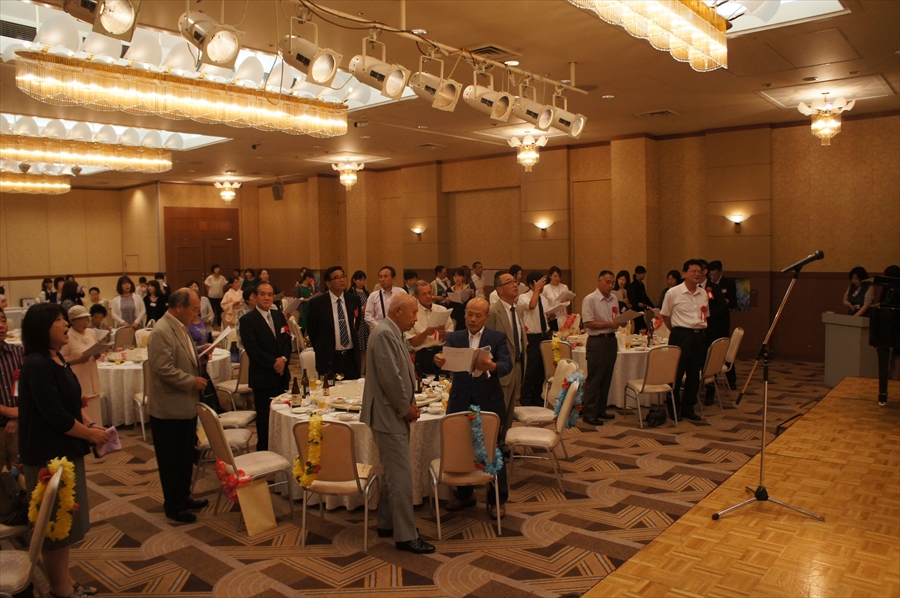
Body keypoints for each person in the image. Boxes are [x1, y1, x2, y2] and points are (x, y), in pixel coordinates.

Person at [19, 302, 109, 597]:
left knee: (66, 521)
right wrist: (89, 434)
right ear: (42, 328)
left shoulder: (56, 357)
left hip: (66, 453)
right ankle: (60, 589)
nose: (66, 324)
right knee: (54, 525)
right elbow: (54, 415)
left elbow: (71, 403)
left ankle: (66, 582)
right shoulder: (36, 364)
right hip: (46, 456)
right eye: (59, 320)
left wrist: (90, 424)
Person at [360, 293, 435, 555]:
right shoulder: (384, 334)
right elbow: (390, 378)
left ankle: (387, 523)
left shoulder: (392, 332)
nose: (416, 318)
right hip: (388, 414)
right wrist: (405, 409)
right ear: (399, 310)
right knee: (401, 476)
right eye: (413, 312)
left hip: (390, 412)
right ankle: (406, 536)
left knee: (393, 473)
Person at [434, 297, 512, 517]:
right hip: (460, 400)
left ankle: (496, 500)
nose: (472, 319)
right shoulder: (455, 337)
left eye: (478, 315)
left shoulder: (496, 337)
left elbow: (506, 365)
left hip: (488, 401)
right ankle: (464, 495)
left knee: (493, 449)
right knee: (460, 447)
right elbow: (442, 360)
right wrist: (437, 361)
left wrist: (492, 366)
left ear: (486, 317)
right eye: (469, 314)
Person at [147, 289, 210, 523]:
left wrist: (201, 352)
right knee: (171, 460)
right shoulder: (161, 331)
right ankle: (173, 505)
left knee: (184, 455)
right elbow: (162, 368)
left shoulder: (180, 327)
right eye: (194, 310)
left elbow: (182, 355)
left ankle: (183, 497)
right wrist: (190, 381)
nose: (197, 315)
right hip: (169, 408)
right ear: (179, 307)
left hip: (186, 405)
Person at [240, 282, 292, 451]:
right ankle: (264, 453)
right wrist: (274, 362)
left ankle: (282, 450)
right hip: (263, 377)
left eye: (270, 294)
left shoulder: (278, 315)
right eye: (262, 294)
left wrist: (283, 359)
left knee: (283, 417)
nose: (267, 298)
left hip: (282, 375)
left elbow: (287, 341)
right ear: (255, 297)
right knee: (265, 421)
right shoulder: (247, 320)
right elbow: (253, 350)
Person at [660, 259, 707, 422]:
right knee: (676, 374)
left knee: (694, 374)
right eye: (693, 271)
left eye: (699, 271)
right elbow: (665, 315)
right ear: (684, 273)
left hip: (699, 335)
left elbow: (705, 315)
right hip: (681, 335)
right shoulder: (673, 293)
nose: (697, 274)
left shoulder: (703, 293)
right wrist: (677, 331)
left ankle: (688, 408)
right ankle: (674, 408)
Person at [486, 271, 526, 439]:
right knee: (498, 410)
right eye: (509, 282)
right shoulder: (493, 311)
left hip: (517, 365)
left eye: (515, 281)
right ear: (499, 289)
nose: (515, 284)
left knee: (510, 410)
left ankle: (504, 443)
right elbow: (487, 343)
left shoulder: (518, 310)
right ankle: (494, 445)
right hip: (501, 369)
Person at [307, 266, 363, 380]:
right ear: (328, 283)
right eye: (337, 278)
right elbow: (313, 331)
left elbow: (356, 324)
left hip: (351, 357)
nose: (342, 280)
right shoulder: (317, 303)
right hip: (330, 358)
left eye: (343, 276)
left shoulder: (354, 300)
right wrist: (321, 350)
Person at [581, 271, 620, 426]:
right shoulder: (590, 299)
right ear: (599, 281)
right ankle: (589, 413)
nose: (611, 285)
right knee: (595, 378)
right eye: (608, 282)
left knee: (606, 377)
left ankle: (601, 409)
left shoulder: (614, 298)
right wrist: (609, 324)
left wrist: (622, 321)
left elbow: (616, 318)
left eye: (612, 283)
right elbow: (588, 322)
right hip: (597, 341)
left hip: (611, 340)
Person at [697, 259, 729, 405]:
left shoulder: (713, 288)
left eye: (698, 271)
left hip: (711, 330)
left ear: (705, 272)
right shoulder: (691, 288)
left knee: (709, 361)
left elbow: (722, 307)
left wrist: (708, 315)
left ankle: (710, 392)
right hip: (696, 330)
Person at [518, 272, 551, 407]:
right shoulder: (523, 297)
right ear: (532, 284)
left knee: (542, 369)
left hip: (545, 335)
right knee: (531, 369)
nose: (542, 286)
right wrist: (536, 290)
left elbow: (545, 316)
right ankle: (525, 397)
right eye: (539, 283)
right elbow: (531, 306)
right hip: (532, 337)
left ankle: (537, 395)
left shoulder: (544, 299)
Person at [407, 281, 453, 376]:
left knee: (444, 381)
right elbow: (413, 342)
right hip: (423, 354)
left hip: (441, 352)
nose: (428, 296)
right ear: (416, 296)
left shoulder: (442, 310)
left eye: (429, 292)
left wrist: (443, 333)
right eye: (424, 294)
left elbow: (451, 338)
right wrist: (426, 333)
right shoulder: (412, 313)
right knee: (424, 383)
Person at [60, 305, 102, 407]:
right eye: (81, 320)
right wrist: (77, 359)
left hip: (93, 381)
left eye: (86, 319)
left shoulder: (91, 333)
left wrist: (97, 355)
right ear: (72, 321)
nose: (85, 323)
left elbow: (95, 348)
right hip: (79, 381)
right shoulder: (67, 336)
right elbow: (60, 360)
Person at [0, 308, 25, 471]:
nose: (1, 325)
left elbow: (31, 388)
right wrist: (6, 411)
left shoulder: (19, 353)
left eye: (3, 320)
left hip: (18, 427)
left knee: (20, 476)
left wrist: (16, 417)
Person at [708, 260, 738, 390]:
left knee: (724, 351)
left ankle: (732, 380)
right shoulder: (707, 285)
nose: (713, 277)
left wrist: (726, 301)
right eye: (711, 274)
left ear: (720, 272)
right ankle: (710, 379)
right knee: (709, 352)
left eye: (715, 274)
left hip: (722, 323)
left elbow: (734, 303)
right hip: (709, 322)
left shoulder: (728, 284)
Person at [364, 266, 407, 330]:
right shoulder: (373, 295)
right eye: (380, 277)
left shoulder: (401, 293)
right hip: (380, 330)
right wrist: (380, 327)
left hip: (398, 329)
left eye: (386, 276)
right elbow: (367, 316)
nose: (382, 280)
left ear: (393, 279)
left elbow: (407, 310)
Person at [349, 271, 370, 375]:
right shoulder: (350, 293)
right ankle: (358, 371)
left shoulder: (366, 293)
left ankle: (363, 371)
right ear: (354, 280)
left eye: (363, 280)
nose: (362, 282)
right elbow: (350, 308)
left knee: (365, 349)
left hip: (366, 322)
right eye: (360, 280)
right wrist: (360, 309)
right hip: (357, 323)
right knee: (359, 348)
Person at [542, 266, 569, 332]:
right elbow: (543, 303)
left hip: (563, 315)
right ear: (550, 276)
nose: (557, 278)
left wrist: (568, 299)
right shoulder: (545, 288)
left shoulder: (564, 287)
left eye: (559, 277)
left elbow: (567, 301)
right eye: (555, 276)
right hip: (552, 317)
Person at [628, 266, 654, 333]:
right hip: (635, 311)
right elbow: (632, 298)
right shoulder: (633, 285)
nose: (643, 275)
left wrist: (652, 307)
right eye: (642, 273)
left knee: (641, 328)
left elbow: (645, 297)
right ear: (637, 274)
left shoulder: (642, 285)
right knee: (640, 328)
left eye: (644, 274)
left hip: (641, 310)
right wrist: (638, 304)